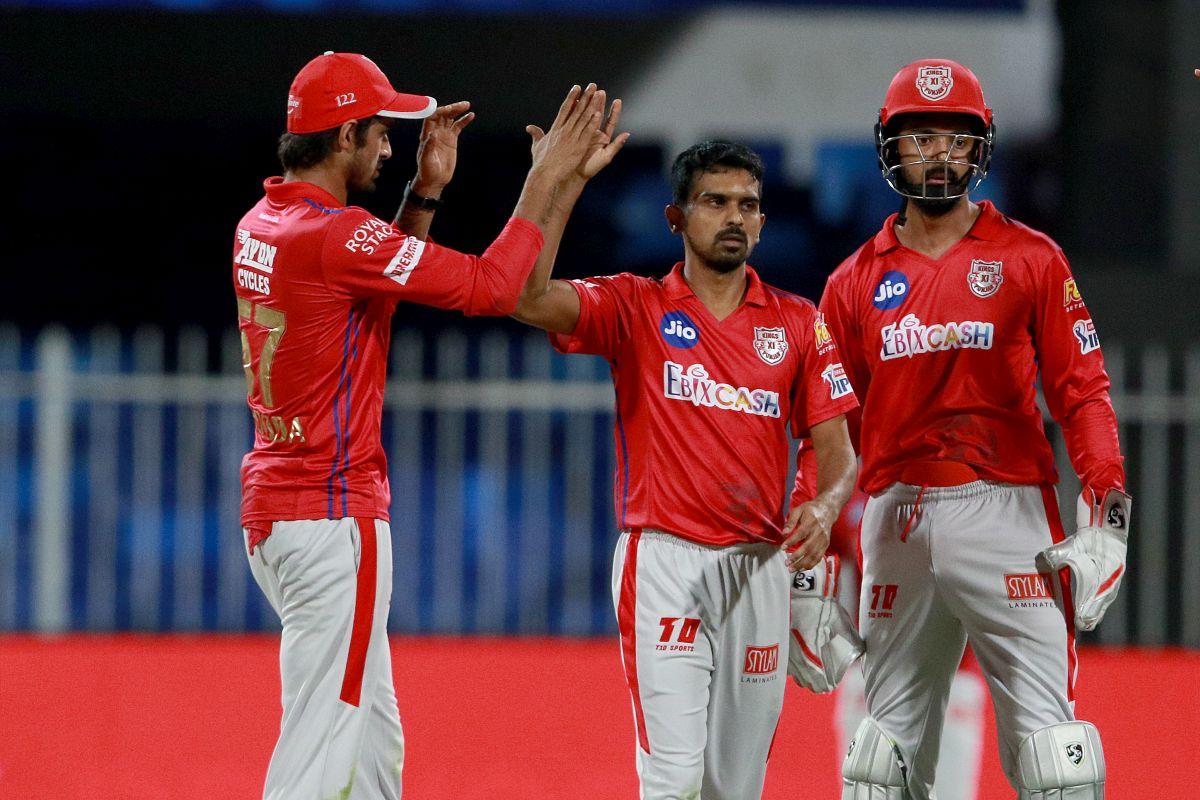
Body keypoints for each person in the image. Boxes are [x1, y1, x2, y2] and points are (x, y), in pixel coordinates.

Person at [233, 51, 609, 800]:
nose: (390, 146)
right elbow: (494, 288)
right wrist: (546, 180)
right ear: (344, 136)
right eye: (381, 132)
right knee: (322, 745)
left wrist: (425, 193)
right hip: (332, 515)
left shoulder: (265, 221)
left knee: (371, 738)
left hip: (282, 508)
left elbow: (371, 290)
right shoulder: (334, 236)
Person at [793, 58, 1130, 799]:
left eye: (955, 137)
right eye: (921, 137)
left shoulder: (1033, 259)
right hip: (895, 521)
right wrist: (806, 561)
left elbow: (1083, 390)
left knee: (1056, 761)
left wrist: (1107, 514)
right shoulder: (851, 282)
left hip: (1008, 513)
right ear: (891, 147)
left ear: (980, 149)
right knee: (880, 766)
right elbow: (826, 425)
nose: (939, 153)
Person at [510, 136, 858, 799]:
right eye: (714, 202)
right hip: (663, 563)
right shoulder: (633, 305)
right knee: (671, 780)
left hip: (758, 570)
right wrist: (554, 186)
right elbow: (526, 296)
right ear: (677, 218)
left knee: (735, 787)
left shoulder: (798, 322)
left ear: (762, 220)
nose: (733, 217)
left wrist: (820, 505)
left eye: (747, 205)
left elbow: (834, 447)